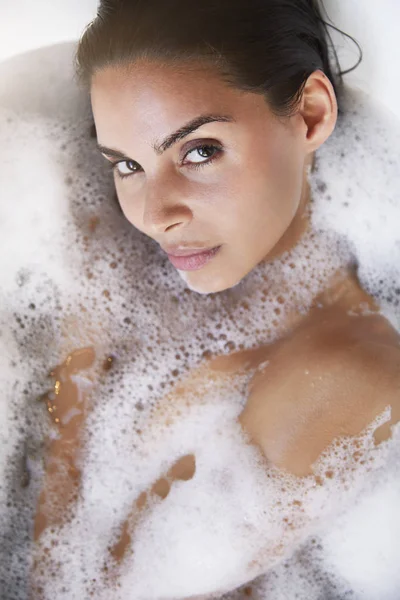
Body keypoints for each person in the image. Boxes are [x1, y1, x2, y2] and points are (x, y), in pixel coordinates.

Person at [32, 0, 400, 597]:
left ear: (310, 114)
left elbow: (91, 586)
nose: (155, 215)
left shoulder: (347, 376)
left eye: (199, 152)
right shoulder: (150, 256)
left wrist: (83, 342)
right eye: (127, 164)